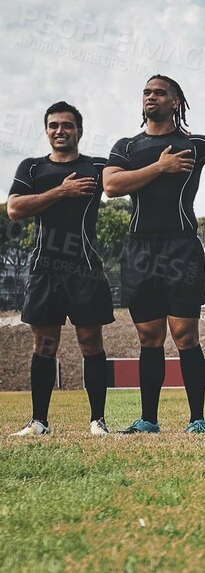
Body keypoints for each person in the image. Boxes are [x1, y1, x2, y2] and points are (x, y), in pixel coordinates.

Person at [102, 74, 205, 434]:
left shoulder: (194, 144)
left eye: (160, 92)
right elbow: (111, 185)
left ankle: (197, 419)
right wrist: (159, 168)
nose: (151, 97)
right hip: (139, 250)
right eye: (147, 92)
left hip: (181, 247)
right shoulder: (128, 146)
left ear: (176, 101)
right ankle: (148, 419)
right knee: (149, 338)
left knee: (185, 336)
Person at [7, 102, 112, 437]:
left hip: (85, 269)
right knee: (44, 346)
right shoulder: (33, 168)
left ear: (78, 130)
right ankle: (39, 421)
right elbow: (14, 208)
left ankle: (98, 420)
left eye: (66, 125)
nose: (60, 131)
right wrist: (62, 191)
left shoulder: (96, 167)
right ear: (46, 130)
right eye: (53, 126)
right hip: (45, 269)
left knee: (91, 343)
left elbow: (124, 182)